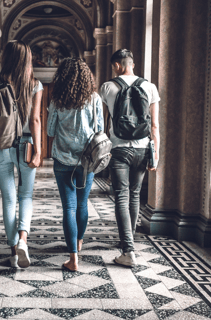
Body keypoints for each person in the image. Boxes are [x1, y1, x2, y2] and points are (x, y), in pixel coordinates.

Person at [100, 49, 160, 267]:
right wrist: (156, 154)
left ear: (117, 65)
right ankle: (129, 241)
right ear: (132, 64)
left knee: (121, 197)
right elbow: (154, 125)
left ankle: (128, 249)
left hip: (119, 149)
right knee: (134, 195)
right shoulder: (149, 87)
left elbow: (103, 120)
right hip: (143, 148)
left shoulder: (108, 87)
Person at [0, 40, 43, 268]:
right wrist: (39, 150)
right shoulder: (35, 85)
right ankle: (23, 240)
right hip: (26, 143)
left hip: (1, 144)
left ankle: (13, 251)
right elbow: (36, 120)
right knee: (26, 196)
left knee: (9, 199)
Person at [47, 58, 103, 271]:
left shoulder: (57, 100)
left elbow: (50, 131)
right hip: (87, 160)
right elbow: (100, 129)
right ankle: (78, 242)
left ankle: (73, 258)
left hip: (62, 159)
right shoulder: (94, 99)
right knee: (82, 204)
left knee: (68, 207)